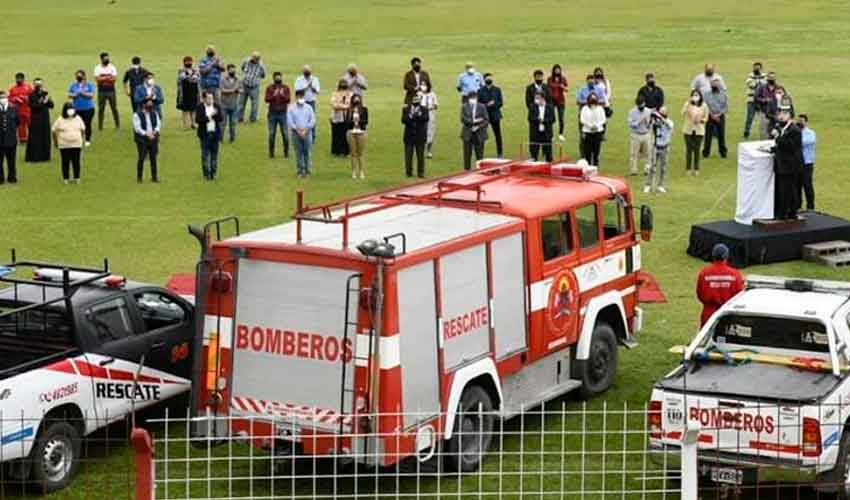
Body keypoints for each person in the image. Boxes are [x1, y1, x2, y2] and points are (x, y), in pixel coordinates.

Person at [696, 243, 743, 326]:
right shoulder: (735, 274)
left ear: (713, 256)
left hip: (708, 315)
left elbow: (700, 294)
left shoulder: (704, 273)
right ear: (726, 256)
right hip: (728, 315)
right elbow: (739, 295)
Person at [771, 109, 803, 220]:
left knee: (787, 190)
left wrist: (777, 137)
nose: (781, 116)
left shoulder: (794, 130)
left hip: (790, 166)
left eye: (784, 114)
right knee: (786, 189)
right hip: (783, 164)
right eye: (780, 113)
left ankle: (785, 213)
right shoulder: (783, 128)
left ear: (790, 116)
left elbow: (790, 146)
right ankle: (790, 212)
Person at [51, 102, 85, 184]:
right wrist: (55, 142)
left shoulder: (78, 118)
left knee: (76, 161)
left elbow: (83, 129)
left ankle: (77, 178)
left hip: (76, 144)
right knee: (65, 161)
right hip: (64, 145)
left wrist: (81, 139)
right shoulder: (60, 119)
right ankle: (66, 179)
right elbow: (53, 130)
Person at [195, 91, 224, 180]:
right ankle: (206, 174)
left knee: (214, 155)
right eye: (208, 98)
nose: (210, 100)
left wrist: (214, 116)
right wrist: (209, 116)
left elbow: (221, 118)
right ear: (204, 99)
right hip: (204, 134)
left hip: (215, 134)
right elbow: (198, 119)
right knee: (205, 155)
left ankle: (213, 173)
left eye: (211, 98)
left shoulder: (216, 106)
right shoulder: (200, 107)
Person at [287, 89, 316, 177]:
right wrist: (298, 130)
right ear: (296, 97)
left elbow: (312, 120)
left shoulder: (309, 108)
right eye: (299, 96)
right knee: (298, 153)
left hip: (307, 133)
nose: (301, 98)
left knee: (307, 152)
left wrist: (306, 129)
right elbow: (290, 121)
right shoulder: (291, 108)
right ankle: (300, 170)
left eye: (302, 96)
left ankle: (307, 170)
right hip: (296, 133)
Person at [645, 106, 673, 194]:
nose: (661, 114)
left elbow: (668, 125)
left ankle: (660, 185)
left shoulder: (670, 122)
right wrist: (651, 118)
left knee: (663, 167)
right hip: (656, 146)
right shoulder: (655, 122)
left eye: (662, 113)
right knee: (652, 166)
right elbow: (648, 127)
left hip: (665, 147)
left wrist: (660, 117)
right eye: (660, 112)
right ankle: (648, 185)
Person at [132, 97, 161, 183]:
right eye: (149, 104)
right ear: (144, 105)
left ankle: (154, 177)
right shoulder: (137, 115)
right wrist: (147, 134)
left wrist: (154, 132)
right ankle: (139, 177)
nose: (151, 106)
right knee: (141, 158)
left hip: (153, 138)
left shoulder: (154, 113)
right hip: (142, 139)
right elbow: (137, 128)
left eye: (151, 104)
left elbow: (158, 124)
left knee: (153, 158)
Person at [25, 79, 53, 163]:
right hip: (35, 119)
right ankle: (35, 156)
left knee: (45, 137)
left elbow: (51, 106)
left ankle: (45, 156)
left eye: (40, 84)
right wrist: (43, 101)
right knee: (35, 138)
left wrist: (49, 100)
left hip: (45, 118)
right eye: (37, 84)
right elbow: (34, 107)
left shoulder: (45, 94)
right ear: (34, 85)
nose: (38, 86)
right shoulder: (31, 95)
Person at [460, 91, 489, 170]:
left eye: (474, 98)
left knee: (479, 155)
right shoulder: (464, 106)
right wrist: (474, 121)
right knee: (467, 155)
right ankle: (466, 171)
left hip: (479, 134)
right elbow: (463, 119)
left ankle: (480, 171)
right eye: (471, 98)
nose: (472, 100)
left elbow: (486, 120)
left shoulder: (482, 107)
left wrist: (478, 126)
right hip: (467, 134)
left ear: (476, 98)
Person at [681, 90, 708, 176]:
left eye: (697, 95)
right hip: (688, 130)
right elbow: (682, 112)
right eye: (694, 95)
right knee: (689, 150)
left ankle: (696, 168)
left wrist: (701, 120)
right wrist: (688, 104)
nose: (695, 97)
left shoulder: (704, 105)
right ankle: (688, 169)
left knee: (697, 150)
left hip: (699, 130)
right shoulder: (688, 104)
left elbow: (706, 117)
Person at [402, 95, 429, 177]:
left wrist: (416, 116)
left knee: (420, 156)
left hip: (420, 136)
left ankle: (421, 173)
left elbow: (426, 118)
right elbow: (403, 120)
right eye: (414, 99)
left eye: (417, 99)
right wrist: (412, 116)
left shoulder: (424, 109)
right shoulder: (406, 109)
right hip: (409, 136)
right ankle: (408, 172)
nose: (415, 101)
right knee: (408, 156)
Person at [265, 72, 291, 158]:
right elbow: (267, 99)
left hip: (283, 113)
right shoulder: (269, 88)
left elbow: (288, 100)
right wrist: (274, 95)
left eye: (279, 78)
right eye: (276, 78)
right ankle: (271, 153)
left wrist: (283, 95)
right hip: (272, 113)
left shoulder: (286, 88)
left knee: (285, 134)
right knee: (271, 134)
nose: (278, 79)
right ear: (274, 78)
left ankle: (286, 153)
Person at [703, 77, 729, 158]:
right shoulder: (706, 94)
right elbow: (705, 105)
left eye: (716, 84)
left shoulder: (723, 94)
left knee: (721, 135)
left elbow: (726, 107)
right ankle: (706, 153)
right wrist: (711, 115)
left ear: (719, 85)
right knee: (708, 135)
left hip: (720, 117)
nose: (714, 86)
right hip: (709, 116)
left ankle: (723, 152)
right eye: (713, 84)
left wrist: (718, 115)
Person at [478, 73, 503, 158]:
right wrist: (487, 105)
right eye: (487, 78)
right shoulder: (480, 91)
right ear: (484, 80)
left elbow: (500, 103)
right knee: (482, 135)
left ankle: (500, 152)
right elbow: (479, 104)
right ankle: (480, 153)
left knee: (498, 134)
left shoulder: (497, 90)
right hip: (484, 116)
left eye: (490, 78)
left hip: (495, 115)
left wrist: (494, 104)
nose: (489, 80)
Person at [294, 65, 320, 143]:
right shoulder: (299, 79)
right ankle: (301, 135)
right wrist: (306, 87)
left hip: (311, 101)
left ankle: (312, 136)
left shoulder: (315, 79)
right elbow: (297, 91)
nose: (307, 74)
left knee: (311, 119)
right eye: (306, 73)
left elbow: (317, 91)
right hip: (301, 101)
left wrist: (312, 87)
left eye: (308, 73)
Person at [68, 70, 95, 146]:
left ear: (84, 76)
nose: (78, 77)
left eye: (80, 75)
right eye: (77, 76)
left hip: (88, 109)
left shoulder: (89, 85)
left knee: (87, 124)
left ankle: (87, 139)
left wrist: (82, 93)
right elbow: (69, 94)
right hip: (77, 109)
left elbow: (91, 95)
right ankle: (78, 139)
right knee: (77, 124)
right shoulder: (73, 85)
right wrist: (76, 94)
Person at [344, 94, 368, 179]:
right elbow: (346, 122)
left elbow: (366, 121)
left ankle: (361, 171)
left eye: (358, 99)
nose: (356, 101)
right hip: (351, 132)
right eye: (355, 100)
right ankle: (354, 171)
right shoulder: (349, 110)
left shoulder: (364, 110)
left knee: (360, 153)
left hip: (361, 132)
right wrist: (352, 121)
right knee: (353, 153)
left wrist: (358, 121)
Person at [627, 96, 653, 175]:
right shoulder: (632, 112)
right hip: (636, 135)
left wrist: (647, 122)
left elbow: (650, 124)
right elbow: (631, 124)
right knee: (634, 153)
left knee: (648, 153)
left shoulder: (648, 111)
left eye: (642, 105)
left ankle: (647, 169)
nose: (641, 107)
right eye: (639, 106)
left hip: (646, 134)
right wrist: (639, 121)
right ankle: (633, 170)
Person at [94, 52, 119, 130]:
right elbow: (97, 80)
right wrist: (108, 77)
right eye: (105, 58)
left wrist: (103, 78)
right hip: (101, 91)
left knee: (114, 108)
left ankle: (117, 125)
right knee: (101, 109)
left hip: (111, 91)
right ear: (101, 59)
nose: (107, 60)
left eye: (108, 58)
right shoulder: (97, 68)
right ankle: (100, 126)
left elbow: (114, 79)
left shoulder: (112, 67)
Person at [238, 51, 266, 123]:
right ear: (252, 58)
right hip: (244, 84)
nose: (256, 60)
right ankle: (239, 118)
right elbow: (242, 68)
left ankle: (253, 119)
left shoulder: (261, 66)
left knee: (255, 104)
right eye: (255, 58)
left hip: (254, 87)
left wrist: (256, 79)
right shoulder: (246, 61)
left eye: (257, 59)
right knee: (241, 103)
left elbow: (263, 75)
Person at [579, 92, 606, 166]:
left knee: (596, 152)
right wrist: (590, 126)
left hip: (598, 132)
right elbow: (582, 119)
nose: (593, 106)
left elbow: (603, 119)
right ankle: (588, 167)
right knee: (588, 152)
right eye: (591, 104)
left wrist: (597, 125)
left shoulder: (600, 108)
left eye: (594, 104)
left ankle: (595, 167)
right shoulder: (584, 108)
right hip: (587, 132)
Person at [528, 91, 555, 161]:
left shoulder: (550, 107)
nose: (536, 100)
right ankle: (533, 166)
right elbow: (530, 118)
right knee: (534, 151)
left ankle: (549, 165)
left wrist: (543, 120)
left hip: (546, 133)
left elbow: (552, 119)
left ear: (543, 98)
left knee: (548, 152)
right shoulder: (532, 106)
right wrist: (538, 120)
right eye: (535, 98)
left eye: (538, 98)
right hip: (535, 133)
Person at [176, 56, 200, 129]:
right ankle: (186, 125)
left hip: (193, 91)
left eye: (190, 61)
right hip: (184, 92)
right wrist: (191, 77)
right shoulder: (181, 70)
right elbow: (182, 78)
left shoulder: (195, 70)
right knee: (185, 109)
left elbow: (196, 79)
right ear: (184, 62)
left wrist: (189, 77)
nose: (189, 63)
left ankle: (193, 123)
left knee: (193, 109)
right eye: (187, 61)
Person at [743, 62, 766, 139]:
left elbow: (764, 85)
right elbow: (751, 85)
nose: (757, 69)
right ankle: (746, 131)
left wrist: (759, 80)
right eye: (755, 67)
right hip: (751, 100)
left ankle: (764, 132)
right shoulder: (750, 76)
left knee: (763, 118)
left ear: (761, 68)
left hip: (761, 101)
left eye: (758, 67)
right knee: (750, 117)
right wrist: (757, 80)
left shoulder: (764, 76)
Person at [0, 91, 19, 184]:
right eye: (1, 98)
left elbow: (17, 122)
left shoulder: (14, 108)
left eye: (4, 97)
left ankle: (12, 177)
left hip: (11, 140)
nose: (3, 99)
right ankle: (0, 178)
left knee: (11, 161)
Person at [329, 79, 352, 156]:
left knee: (345, 135)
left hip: (346, 118)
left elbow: (350, 105)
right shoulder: (335, 94)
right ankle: (336, 151)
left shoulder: (350, 94)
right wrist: (344, 106)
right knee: (336, 134)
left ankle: (345, 151)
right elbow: (334, 105)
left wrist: (340, 105)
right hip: (336, 118)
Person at [799, 114, 816, 211]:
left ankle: (810, 206)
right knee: (797, 186)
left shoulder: (810, 133)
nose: (800, 122)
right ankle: (798, 206)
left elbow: (804, 142)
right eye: (799, 120)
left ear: (806, 122)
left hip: (807, 163)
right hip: (797, 163)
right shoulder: (796, 132)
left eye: (801, 120)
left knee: (807, 185)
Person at [219, 64, 241, 143]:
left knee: (233, 124)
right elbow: (222, 90)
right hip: (224, 105)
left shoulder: (238, 79)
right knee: (222, 124)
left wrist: (239, 91)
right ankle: (220, 139)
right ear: (228, 70)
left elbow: (241, 89)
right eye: (231, 70)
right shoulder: (223, 79)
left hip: (234, 105)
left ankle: (232, 139)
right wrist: (233, 90)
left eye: (234, 70)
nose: (233, 71)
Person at [8, 73, 32, 143]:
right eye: (17, 78)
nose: (18, 80)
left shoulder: (28, 87)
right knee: (21, 126)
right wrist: (15, 99)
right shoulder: (13, 89)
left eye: (20, 78)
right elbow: (9, 99)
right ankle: (22, 140)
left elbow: (32, 97)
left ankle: (32, 138)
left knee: (31, 125)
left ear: (23, 79)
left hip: (28, 110)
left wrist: (25, 98)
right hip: (18, 111)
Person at [754, 71, 778, 140]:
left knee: (775, 131)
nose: (771, 79)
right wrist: (764, 100)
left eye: (773, 77)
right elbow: (756, 98)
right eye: (770, 77)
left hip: (775, 113)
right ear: (767, 78)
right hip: (764, 112)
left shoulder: (778, 88)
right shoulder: (762, 87)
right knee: (763, 131)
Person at [547, 65, 568, 141]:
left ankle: (561, 134)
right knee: (551, 118)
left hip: (561, 101)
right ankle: (551, 135)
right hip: (552, 101)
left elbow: (566, 89)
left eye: (558, 70)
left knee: (561, 118)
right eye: (556, 70)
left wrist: (563, 87)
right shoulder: (550, 79)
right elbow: (548, 88)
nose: (557, 71)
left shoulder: (563, 79)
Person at [420, 81, 439, 158]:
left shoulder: (432, 95)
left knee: (430, 132)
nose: (423, 86)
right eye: (422, 85)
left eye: (424, 85)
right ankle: (421, 150)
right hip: (421, 115)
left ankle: (429, 151)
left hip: (430, 114)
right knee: (421, 132)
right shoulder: (419, 94)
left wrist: (430, 108)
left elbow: (436, 105)